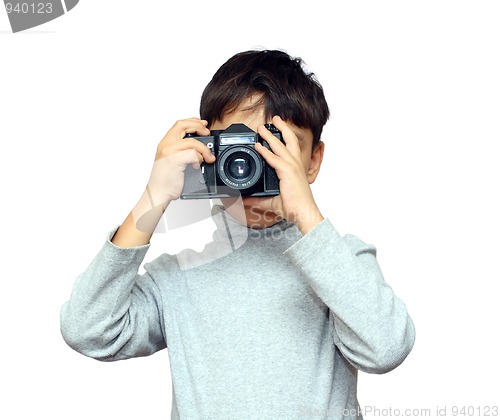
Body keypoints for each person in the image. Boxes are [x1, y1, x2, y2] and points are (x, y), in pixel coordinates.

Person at [60, 49, 415, 420]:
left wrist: (306, 215)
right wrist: (153, 199)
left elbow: (386, 348)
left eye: (277, 148)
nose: (253, 168)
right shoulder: (177, 279)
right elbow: (87, 329)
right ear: (205, 149)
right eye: (242, 148)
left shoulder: (340, 262)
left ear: (312, 161)